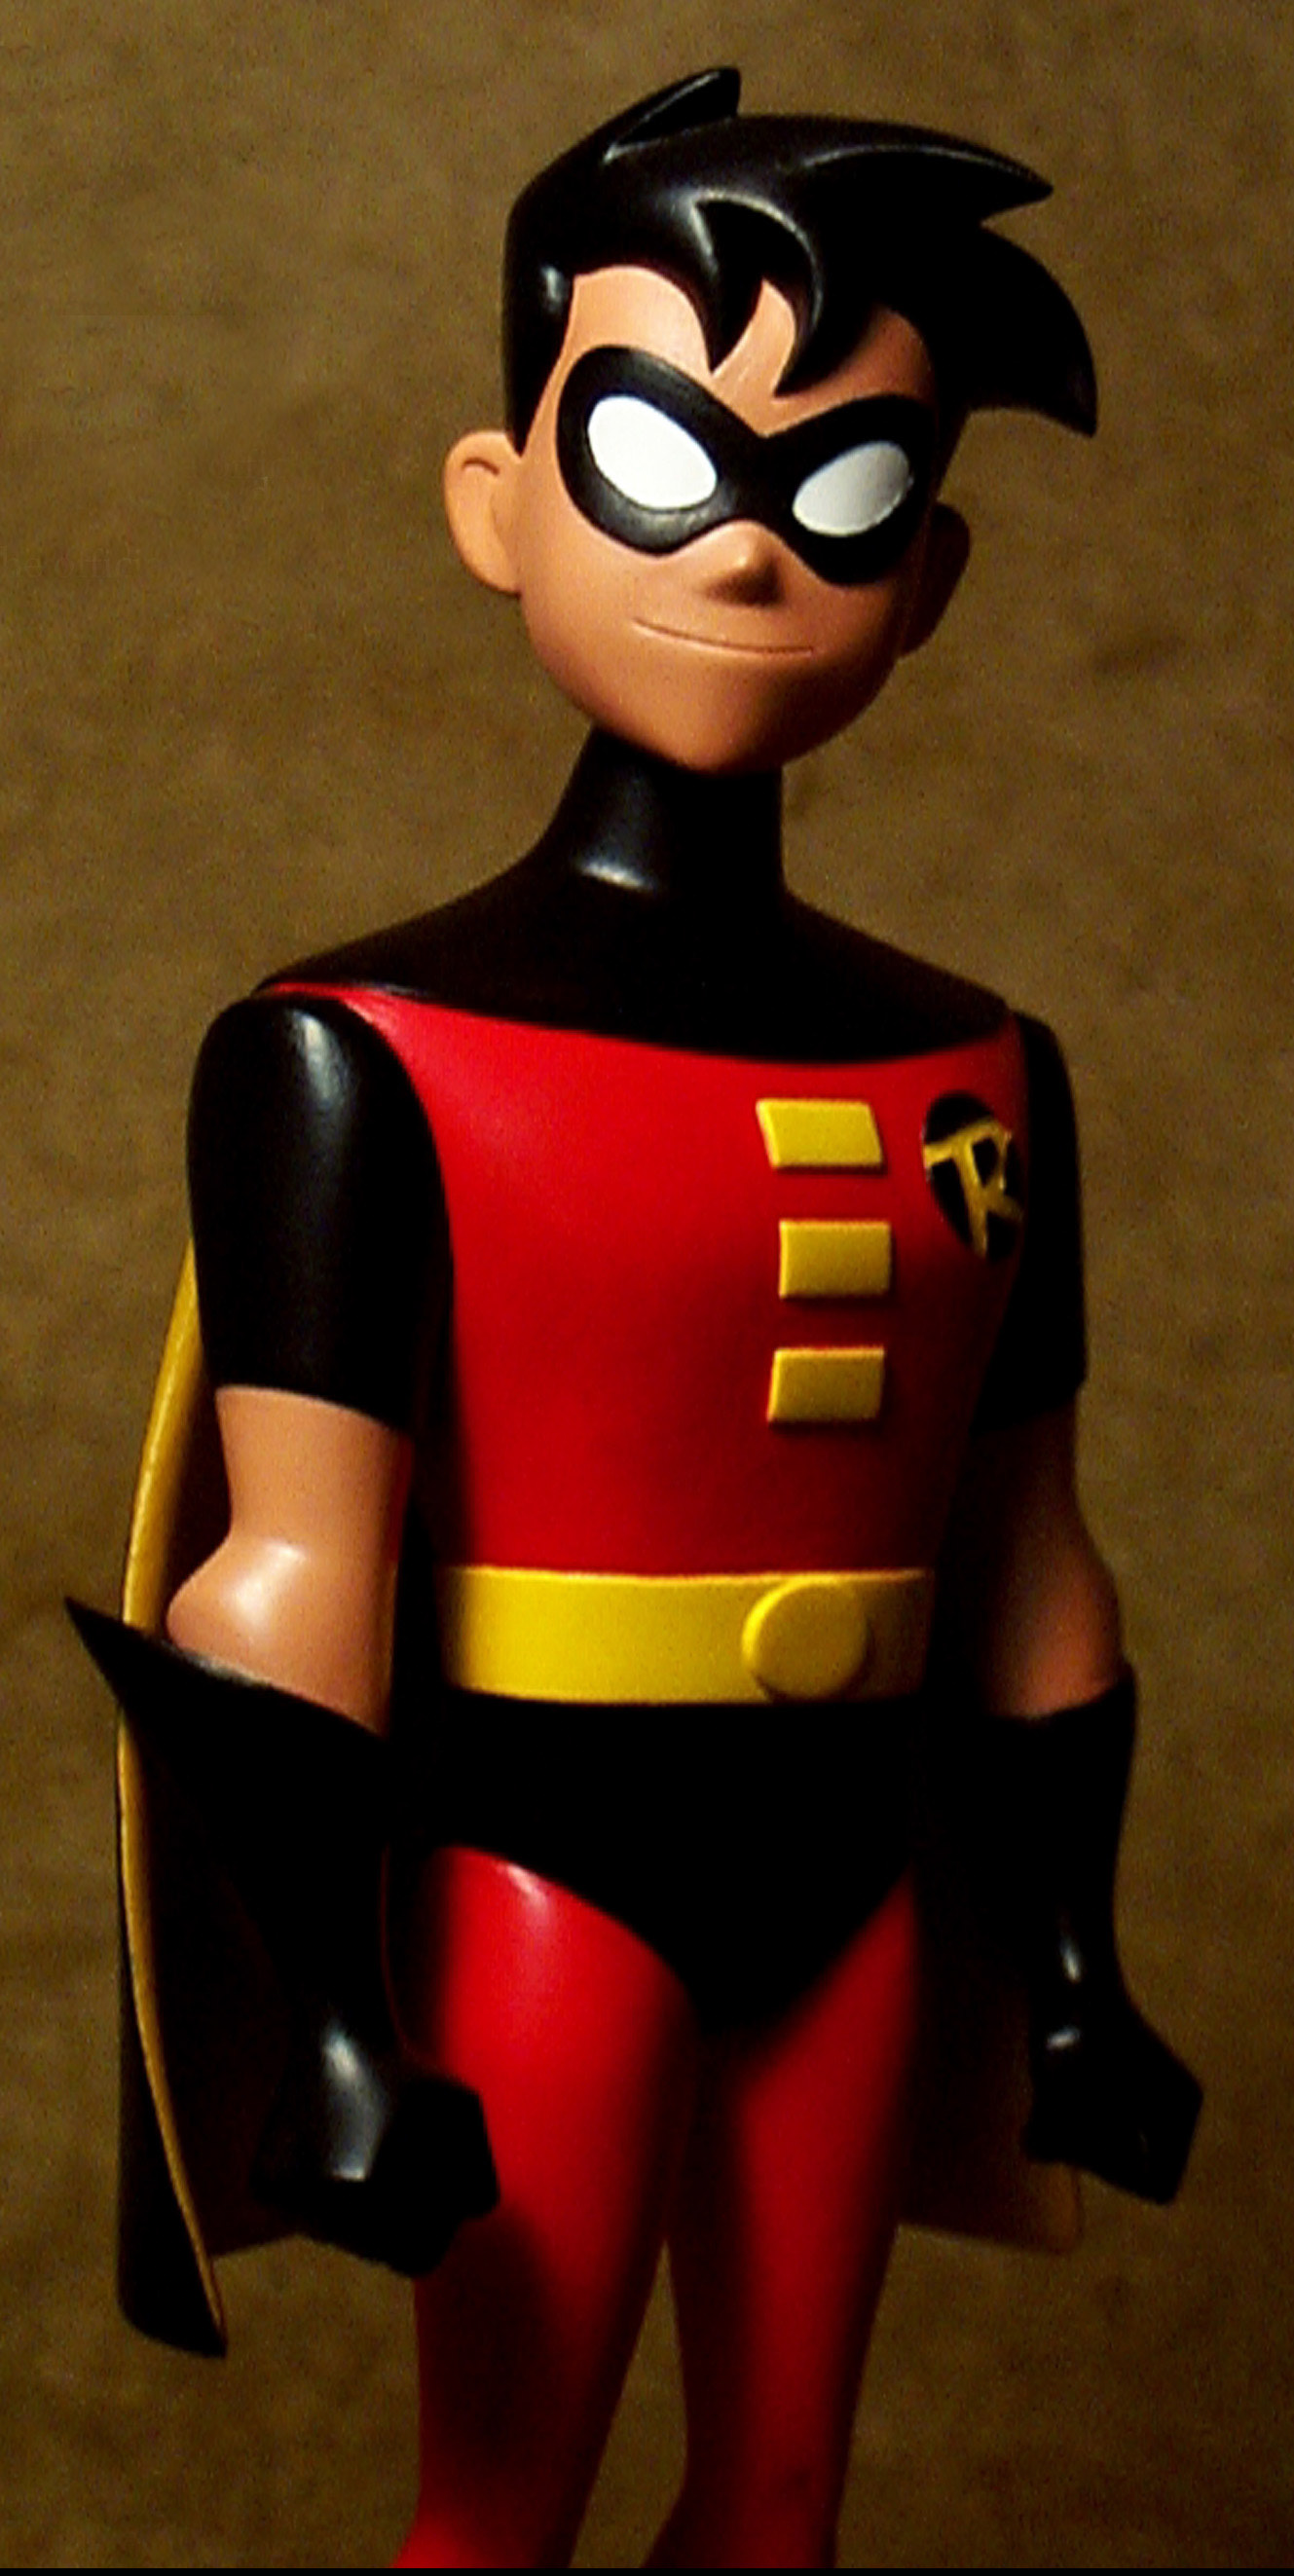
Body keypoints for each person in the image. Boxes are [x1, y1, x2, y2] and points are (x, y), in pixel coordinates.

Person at [77, 70, 1201, 2569]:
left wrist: (1067, 1967)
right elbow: (286, 1571)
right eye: (659, 461)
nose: (753, 553)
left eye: (848, 492)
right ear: (501, 503)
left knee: (779, 2505)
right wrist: (327, 2018)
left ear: (931, 576)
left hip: (850, 1882)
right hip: (537, 1866)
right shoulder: (358, 1055)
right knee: (501, 2507)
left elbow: (1030, 1558)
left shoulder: (979, 1067)